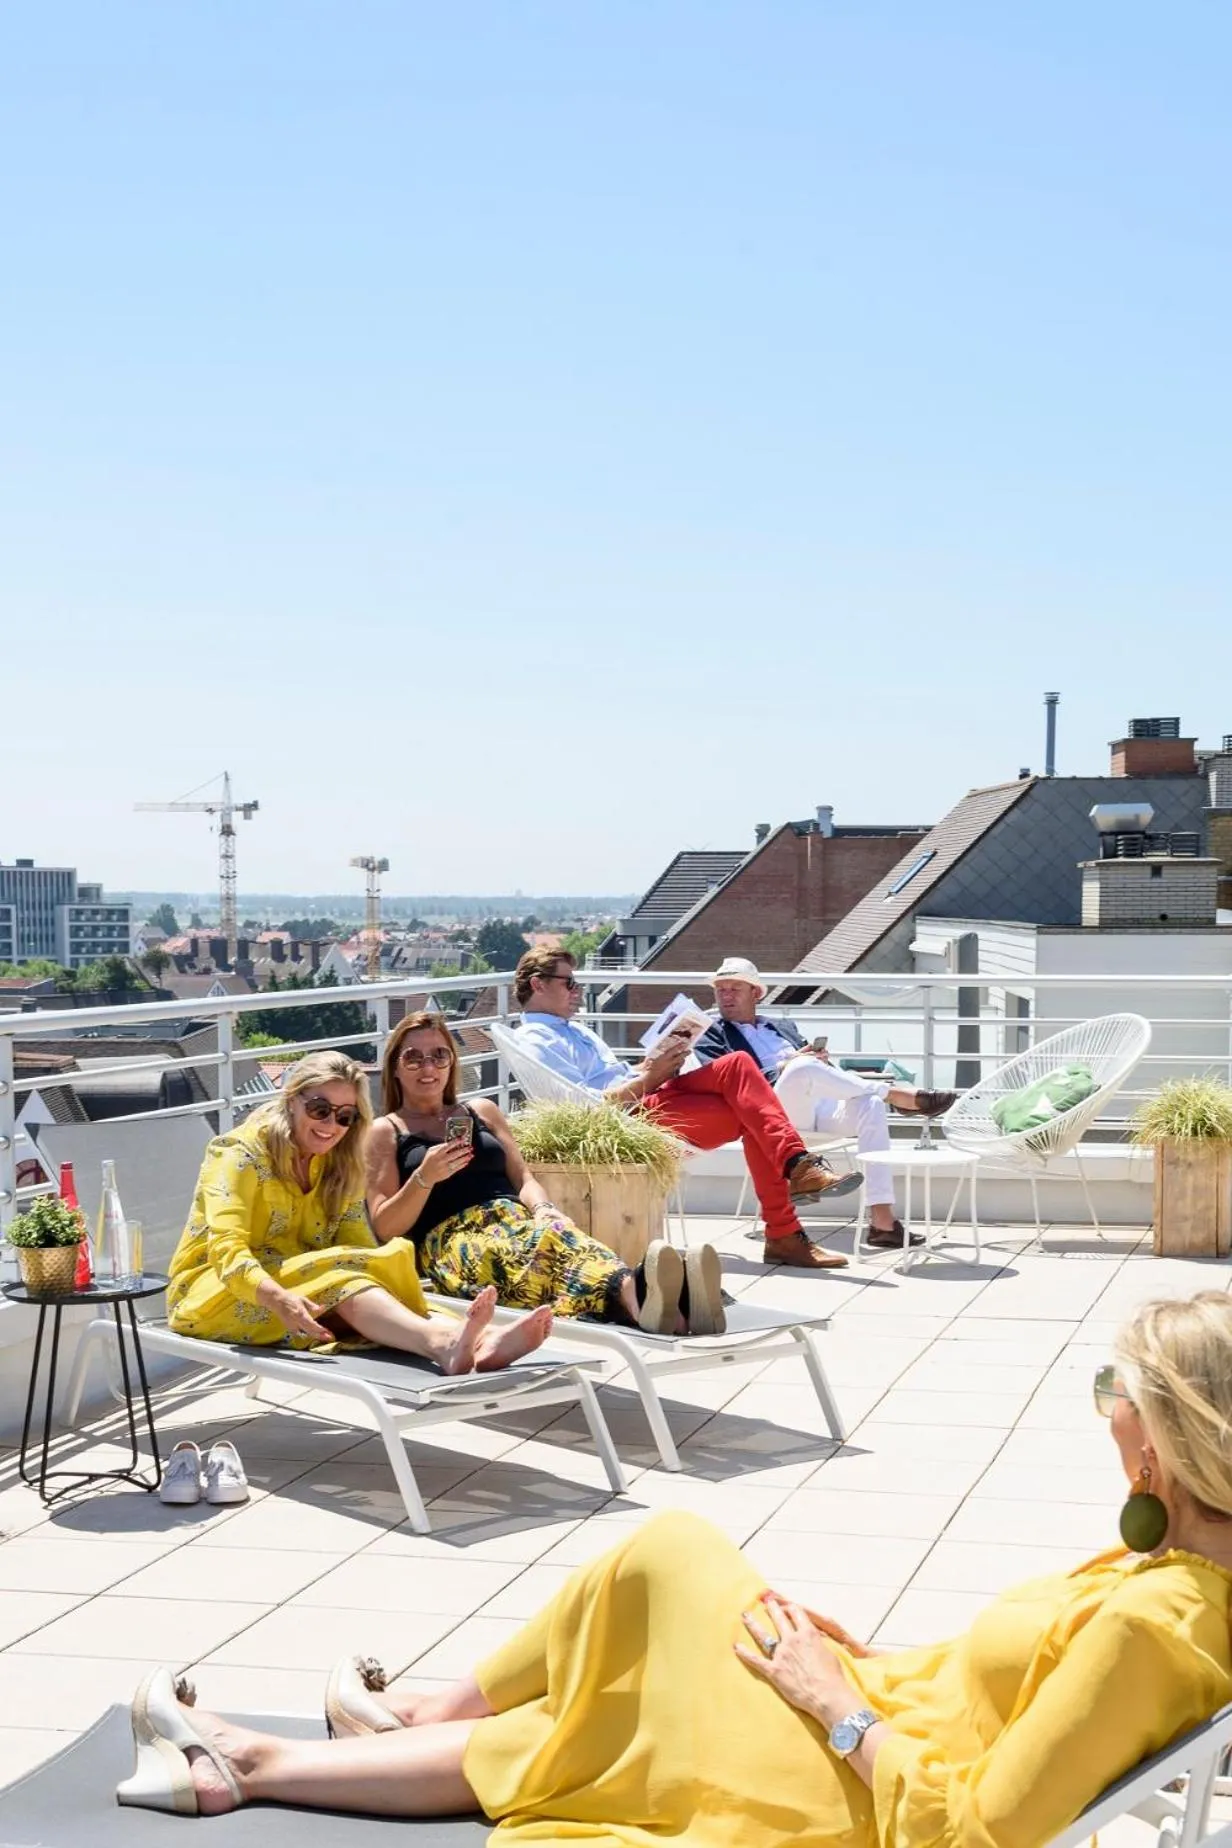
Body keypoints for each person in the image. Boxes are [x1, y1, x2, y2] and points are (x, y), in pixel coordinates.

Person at [120, 1289, 1232, 1846]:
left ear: (1167, 1434)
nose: (1102, 1418)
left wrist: (836, 1706)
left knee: (669, 1551)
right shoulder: (1183, 1578)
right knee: (608, 1696)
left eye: (1110, 1396)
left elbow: (982, 1834)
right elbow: (1031, 1697)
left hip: (852, 1787)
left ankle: (394, 1721)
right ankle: (252, 1765)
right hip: (879, 1722)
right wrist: (869, 1660)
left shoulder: (1156, 1621)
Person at [166, 1050, 549, 1375]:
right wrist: (278, 1298)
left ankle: (475, 1340)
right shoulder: (239, 1155)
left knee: (366, 1273)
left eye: (345, 1116)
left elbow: (356, 1243)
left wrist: (382, 1273)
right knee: (344, 1281)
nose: (332, 1126)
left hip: (306, 1280)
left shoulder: (340, 1161)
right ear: (290, 1100)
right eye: (319, 1109)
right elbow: (226, 1251)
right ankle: (447, 1342)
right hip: (221, 1290)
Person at [364, 1011, 726, 1336]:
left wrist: (543, 1209)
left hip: (516, 1220)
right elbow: (385, 1225)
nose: (428, 1067)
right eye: (413, 1058)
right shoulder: (387, 1131)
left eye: (439, 1055)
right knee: (534, 1248)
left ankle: (651, 1302)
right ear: (395, 1067)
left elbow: (523, 1178)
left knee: (560, 1234)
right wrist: (424, 1177)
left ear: (452, 1062)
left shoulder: (481, 1110)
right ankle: (653, 1298)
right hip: (453, 1241)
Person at [512, 947, 864, 1273]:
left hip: (645, 1096)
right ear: (538, 984)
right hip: (624, 1122)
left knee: (738, 1066)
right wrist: (650, 1077)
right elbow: (584, 1109)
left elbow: (617, 1078)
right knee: (748, 1098)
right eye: (569, 982)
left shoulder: (575, 1030)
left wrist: (656, 1064)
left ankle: (793, 1192)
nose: (577, 990)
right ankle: (790, 1208)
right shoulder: (537, 1040)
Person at [694, 956, 956, 1251]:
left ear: (756, 993)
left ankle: (883, 1222)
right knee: (801, 1068)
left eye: (734, 989)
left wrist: (819, 1061)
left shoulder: (783, 1026)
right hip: (771, 1116)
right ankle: (895, 1095)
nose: (726, 996)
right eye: (721, 990)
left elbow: (813, 1071)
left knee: (869, 1104)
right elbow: (731, 1081)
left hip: (816, 1105)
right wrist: (789, 1065)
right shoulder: (710, 1036)